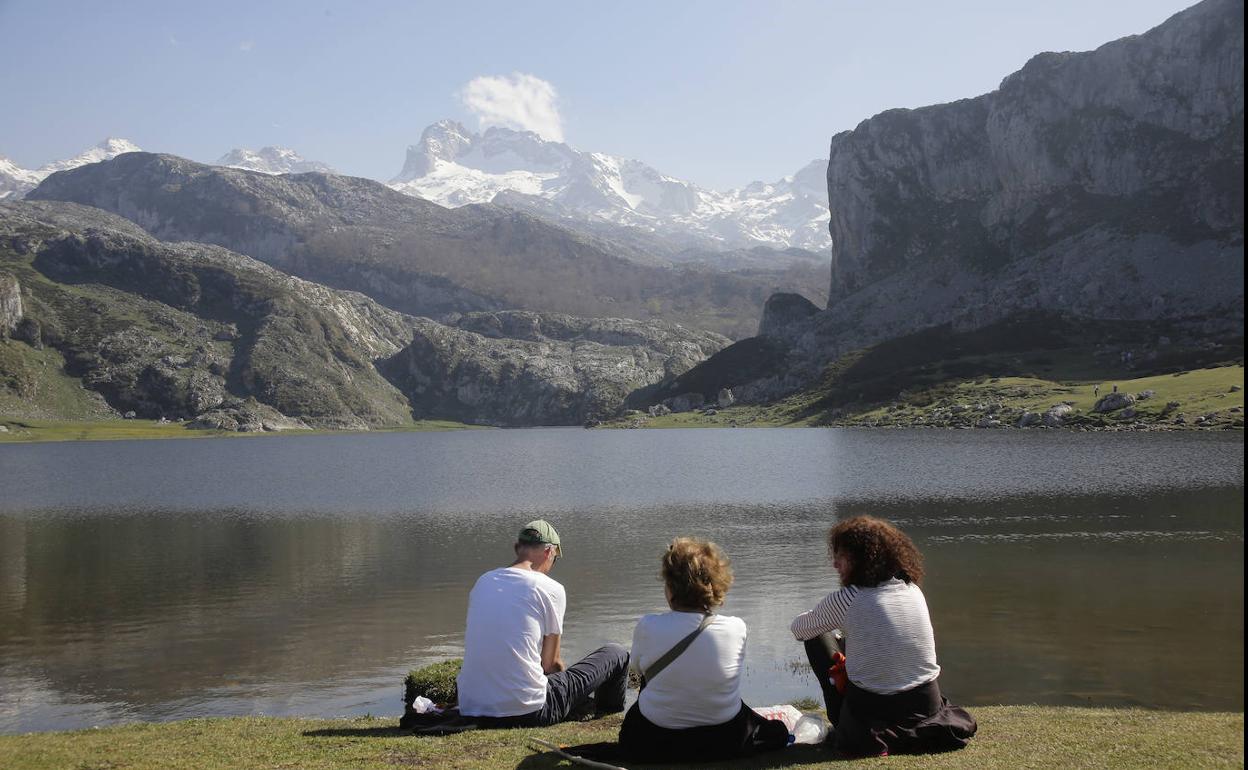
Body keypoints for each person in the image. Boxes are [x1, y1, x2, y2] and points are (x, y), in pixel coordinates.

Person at [791, 516, 976, 756]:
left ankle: (841, 723)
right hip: (927, 706)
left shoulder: (848, 598)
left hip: (873, 714)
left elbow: (799, 629)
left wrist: (825, 617)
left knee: (816, 638)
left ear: (860, 559)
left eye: (841, 556)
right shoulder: (912, 590)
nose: (835, 564)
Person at [619, 537, 788, 762]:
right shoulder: (736, 627)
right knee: (776, 731)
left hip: (655, 739)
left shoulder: (648, 625)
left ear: (671, 586)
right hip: (725, 739)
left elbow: (637, 669)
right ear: (716, 584)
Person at [455, 519, 629, 727]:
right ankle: (606, 716)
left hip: (471, 708)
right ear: (549, 552)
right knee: (616, 653)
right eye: (555, 559)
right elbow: (551, 664)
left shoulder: (483, 582)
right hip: (529, 712)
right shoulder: (549, 588)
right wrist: (570, 692)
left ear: (517, 548)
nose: (551, 566)